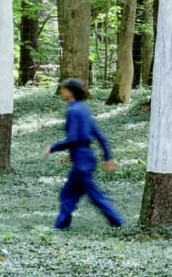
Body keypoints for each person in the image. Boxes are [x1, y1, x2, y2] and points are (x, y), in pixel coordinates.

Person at [43, 78, 124, 229]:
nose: (62, 92)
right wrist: (107, 157)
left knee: (91, 195)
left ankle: (119, 222)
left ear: (71, 92)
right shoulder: (83, 109)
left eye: (64, 89)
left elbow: (73, 138)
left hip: (82, 162)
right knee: (69, 193)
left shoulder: (73, 111)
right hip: (85, 158)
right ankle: (60, 226)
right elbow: (98, 136)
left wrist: (52, 148)